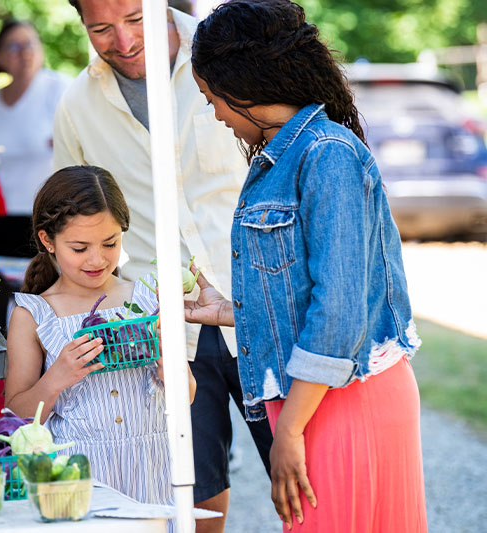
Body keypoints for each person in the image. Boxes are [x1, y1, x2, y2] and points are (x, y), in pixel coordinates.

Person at [187, 1, 427, 531]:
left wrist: (288, 433)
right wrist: (231, 311)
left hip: (344, 401)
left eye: (212, 100)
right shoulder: (280, 157)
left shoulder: (327, 155)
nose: (217, 115)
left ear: (241, 87)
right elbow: (303, 295)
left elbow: (338, 313)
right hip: (314, 399)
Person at [53, 2, 273, 530]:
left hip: (260, 303)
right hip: (163, 329)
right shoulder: (77, 106)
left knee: (305, 474)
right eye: (101, 29)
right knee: (191, 499)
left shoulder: (232, 56)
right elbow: (69, 219)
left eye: (135, 19)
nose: (125, 41)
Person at [5, 165, 196, 508]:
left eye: (110, 243)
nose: (97, 259)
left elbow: (189, 395)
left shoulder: (147, 298)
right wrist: (57, 378)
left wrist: (169, 362)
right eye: (79, 248)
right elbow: (16, 417)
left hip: (155, 469)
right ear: (47, 240)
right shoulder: (33, 315)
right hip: (78, 476)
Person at [0, 19, 70, 258]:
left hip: (46, 219)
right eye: (14, 46)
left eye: (30, 44)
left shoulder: (59, 89)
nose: (25, 52)